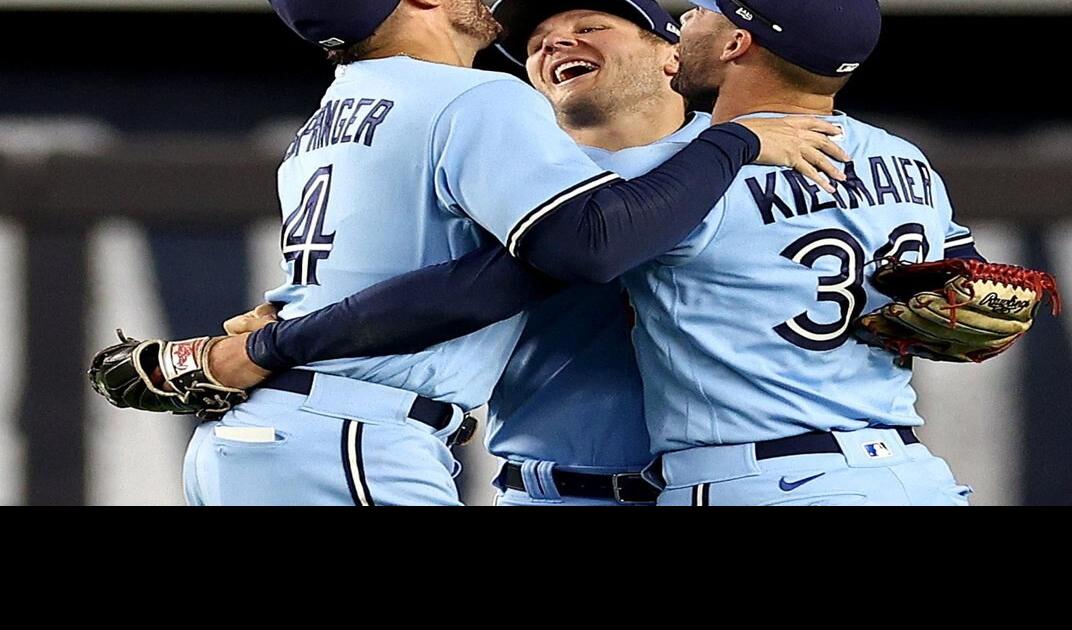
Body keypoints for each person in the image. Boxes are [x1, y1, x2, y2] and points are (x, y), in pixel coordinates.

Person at [209, 0, 988, 505]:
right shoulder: (509, 186)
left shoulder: (685, 177)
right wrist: (293, 316)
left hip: (730, 480)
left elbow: (552, 256)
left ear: (669, 54)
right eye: (539, 40)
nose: (557, 43)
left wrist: (274, 345)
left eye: (594, 25)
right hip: (557, 489)